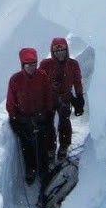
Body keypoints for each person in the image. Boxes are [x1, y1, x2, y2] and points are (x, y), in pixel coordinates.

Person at [7, 47, 55, 185]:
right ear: (23, 65)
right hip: (24, 120)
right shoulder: (15, 80)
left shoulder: (42, 76)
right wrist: (14, 119)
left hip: (41, 118)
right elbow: (11, 101)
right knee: (27, 146)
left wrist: (49, 112)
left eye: (34, 64)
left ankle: (43, 169)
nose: (31, 68)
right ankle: (31, 169)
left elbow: (48, 96)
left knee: (42, 144)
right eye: (28, 65)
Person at [38, 37, 85, 161]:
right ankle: (50, 148)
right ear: (53, 52)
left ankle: (64, 145)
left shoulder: (73, 64)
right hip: (49, 98)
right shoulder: (46, 64)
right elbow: (39, 82)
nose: (60, 54)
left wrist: (79, 97)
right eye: (57, 51)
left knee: (64, 121)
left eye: (62, 51)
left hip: (65, 96)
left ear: (67, 51)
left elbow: (77, 81)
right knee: (48, 123)